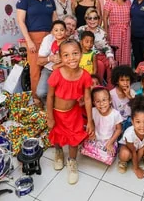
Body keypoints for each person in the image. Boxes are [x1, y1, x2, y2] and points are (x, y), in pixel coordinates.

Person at [46, 39, 94, 184]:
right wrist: (50, 116)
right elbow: (50, 96)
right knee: (57, 135)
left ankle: (72, 162)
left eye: (75, 53)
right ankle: (59, 152)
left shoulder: (85, 75)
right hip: (56, 113)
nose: (71, 58)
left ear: (81, 54)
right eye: (66, 55)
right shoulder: (56, 74)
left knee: (74, 138)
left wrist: (90, 121)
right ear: (60, 57)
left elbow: (87, 98)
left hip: (73, 113)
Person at [16, 0, 57, 95]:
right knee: (35, 70)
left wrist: (56, 38)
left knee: (52, 68)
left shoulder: (50, 0)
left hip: (50, 38)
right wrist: (28, 41)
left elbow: (55, 20)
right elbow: (21, 21)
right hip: (33, 39)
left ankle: (51, 97)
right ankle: (37, 99)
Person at [118, 95, 144, 179]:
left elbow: (141, 149)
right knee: (124, 155)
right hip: (130, 149)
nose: (142, 126)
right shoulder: (129, 134)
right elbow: (133, 151)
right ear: (132, 122)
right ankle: (124, 162)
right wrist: (136, 168)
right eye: (138, 122)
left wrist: (138, 159)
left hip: (139, 148)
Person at [81, 86, 123, 165]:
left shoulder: (115, 114)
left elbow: (119, 130)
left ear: (110, 100)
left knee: (110, 155)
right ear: (93, 103)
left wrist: (110, 143)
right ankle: (97, 152)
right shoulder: (93, 111)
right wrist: (92, 134)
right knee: (83, 147)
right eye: (98, 101)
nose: (101, 104)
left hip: (109, 140)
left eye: (104, 100)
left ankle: (99, 153)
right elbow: (91, 123)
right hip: (96, 139)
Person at [76, 8, 116, 89]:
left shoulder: (102, 32)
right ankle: (98, 85)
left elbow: (106, 46)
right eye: (89, 18)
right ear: (86, 19)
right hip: (87, 55)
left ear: (98, 19)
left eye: (95, 18)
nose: (92, 20)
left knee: (111, 63)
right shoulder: (81, 30)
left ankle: (110, 87)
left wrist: (111, 57)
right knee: (100, 65)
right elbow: (76, 44)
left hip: (101, 55)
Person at [36, 20, 67, 106]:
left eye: (62, 30)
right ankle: (49, 106)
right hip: (48, 69)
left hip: (63, 71)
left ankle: (58, 107)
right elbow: (38, 61)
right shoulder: (49, 40)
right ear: (52, 31)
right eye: (56, 30)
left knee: (62, 94)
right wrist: (50, 58)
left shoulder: (68, 42)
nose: (59, 32)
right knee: (40, 92)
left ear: (65, 31)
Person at [103, 0, 132, 66]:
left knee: (126, 54)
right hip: (114, 32)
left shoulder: (128, 2)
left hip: (126, 31)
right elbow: (105, 17)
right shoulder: (109, 2)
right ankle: (115, 74)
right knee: (115, 53)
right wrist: (106, 31)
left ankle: (125, 73)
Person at [110, 65, 136, 131]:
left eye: (127, 80)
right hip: (117, 122)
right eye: (122, 80)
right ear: (117, 81)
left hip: (130, 121)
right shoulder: (111, 94)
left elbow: (137, 108)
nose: (125, 83)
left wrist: (128, 95)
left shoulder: (132, 92)